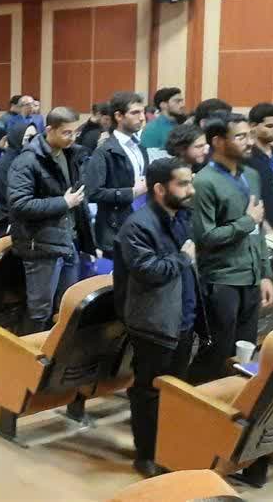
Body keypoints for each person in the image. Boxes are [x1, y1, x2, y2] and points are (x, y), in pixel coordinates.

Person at [113, 158, 203, 478]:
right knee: (149, 391)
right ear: (160, 189)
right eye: (183, 184)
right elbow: (149, 271)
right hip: (153, 322)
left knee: (173, 389)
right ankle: (146, 455)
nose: (191, 190)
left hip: (182, 318)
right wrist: (183, 258)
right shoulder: (138, 225)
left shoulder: (181, 215)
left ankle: (166, 448)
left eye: (191, 182)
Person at [191, 113, 273, 380]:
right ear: (218, 141)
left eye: (249, 135)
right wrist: (247, 221)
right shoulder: (203, 182)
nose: (249, 142)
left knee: (245, 349)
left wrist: (265, 273)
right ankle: (198, 398)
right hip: (221, 279)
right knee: (219, 350)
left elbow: (257, 231)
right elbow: (205, 237)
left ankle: (233, 399)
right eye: (240, 137)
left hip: (250, 275)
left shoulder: (251, 175)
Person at [7, 107, 96, 331]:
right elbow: (19, 205)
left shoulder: (71, 154)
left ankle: (54, 352)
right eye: (66, 133)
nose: (72, 138)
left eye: (75, 132)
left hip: (68, 239)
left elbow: (76, 197)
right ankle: (29, 351)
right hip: (40, 244)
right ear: (49, 130)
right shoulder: (27, 161)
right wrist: (63, 203)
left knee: (66, 307)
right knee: (40, 311)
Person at [85, 91, 149, 258]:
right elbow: (93, 193)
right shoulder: (104, 151)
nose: (142, 118)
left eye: (143, 112)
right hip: (116, 229)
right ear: (119, 116)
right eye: (135, 113)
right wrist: (132, 192)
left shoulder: (140, 148)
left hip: (141, 224)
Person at [246, 103, 273, 234]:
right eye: (270, 126)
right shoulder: (246, 157)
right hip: (257, 228)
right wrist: (266, 229)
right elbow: (247, 198)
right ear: (253, 126)